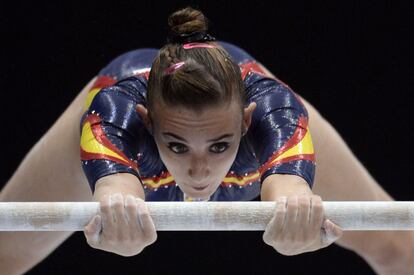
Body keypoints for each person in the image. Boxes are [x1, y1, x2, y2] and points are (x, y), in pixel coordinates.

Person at [0, 6, 413, 275]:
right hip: (118, 116)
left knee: (400, 245)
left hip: (247, 111)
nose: (199, 170)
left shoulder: (276, 113)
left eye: (219, 145)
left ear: (247, 122)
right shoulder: (114, 116)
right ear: (146, 121)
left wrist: (295, 216)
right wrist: (119, 213)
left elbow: (288, 191)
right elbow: (117, 193)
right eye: (177, 144)